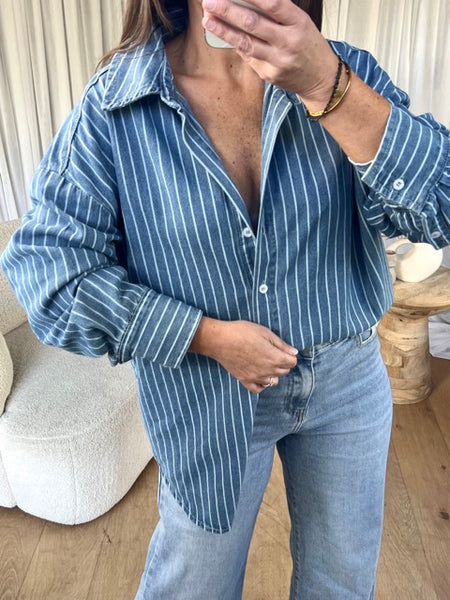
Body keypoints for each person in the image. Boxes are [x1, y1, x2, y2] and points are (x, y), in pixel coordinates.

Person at [2, 0, 449, 598]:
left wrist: (327, 86)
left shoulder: (346, 72)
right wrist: (203, 336)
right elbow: (47, 273)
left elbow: (440, 205)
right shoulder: (117, 107)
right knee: (193, 583)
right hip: (204, 392)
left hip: (348, 379)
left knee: (342, 582)